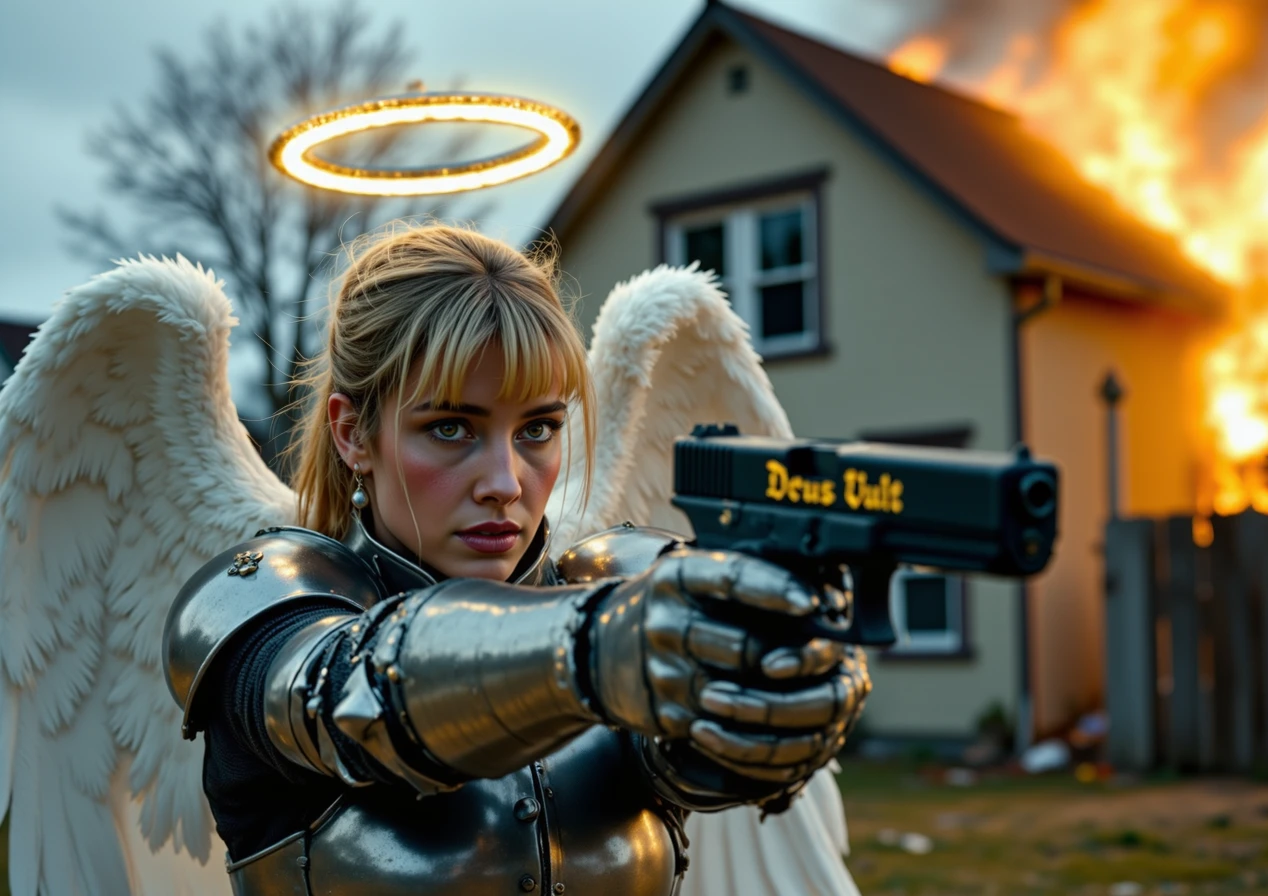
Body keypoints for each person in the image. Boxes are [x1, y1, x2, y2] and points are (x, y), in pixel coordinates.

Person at [162, 224, 870, 895]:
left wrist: (788, 680)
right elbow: (352, 697)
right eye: (449, 427)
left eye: (538, 428)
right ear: (353, 435)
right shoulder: (266, 610)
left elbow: (701, 764)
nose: (505, 481)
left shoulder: (618, 580)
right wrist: (602, 649)